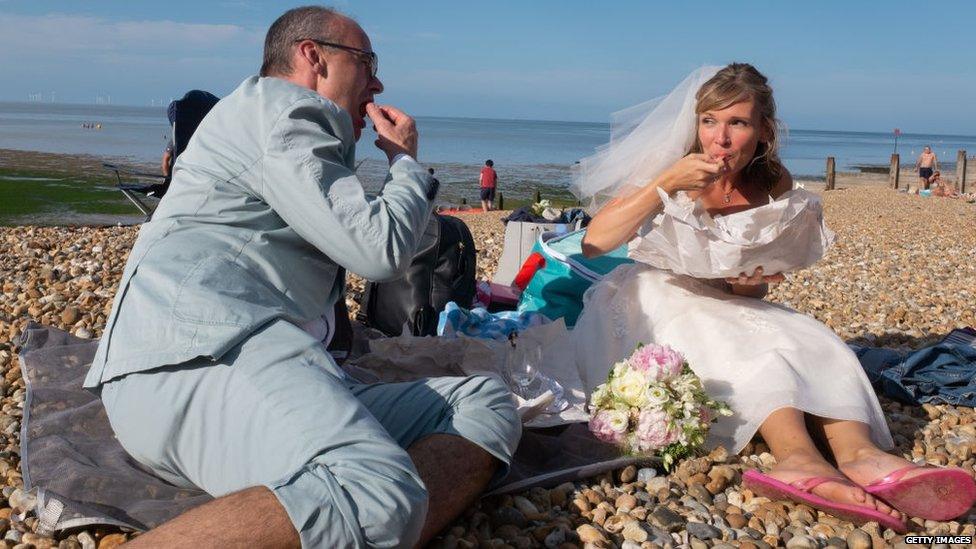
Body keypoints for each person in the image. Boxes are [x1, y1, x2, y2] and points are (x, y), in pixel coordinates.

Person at [83, 7, 520, 548]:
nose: (378, 81)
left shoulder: (276, 124)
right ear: (313, 57)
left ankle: (373, 523)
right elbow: (378, 251)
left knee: (481, 404)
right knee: (378, 491)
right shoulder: (286, 113)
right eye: (367, 62)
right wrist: (406, 164)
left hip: (237, 360)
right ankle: (371, 503)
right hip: (193, 361)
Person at [572, 64, 976, 529]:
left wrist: (750, 282)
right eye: (709, 121)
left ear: (763, 131)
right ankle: (798, 457)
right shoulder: (667, 166)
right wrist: (667, 184)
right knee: (751, 348)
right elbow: (595, 242)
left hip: (729, 300)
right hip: (652, 294)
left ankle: (860, 454)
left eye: (737, 123)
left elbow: (753, 284)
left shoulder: (771, 183)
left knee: (813, 337)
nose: (719, 138)